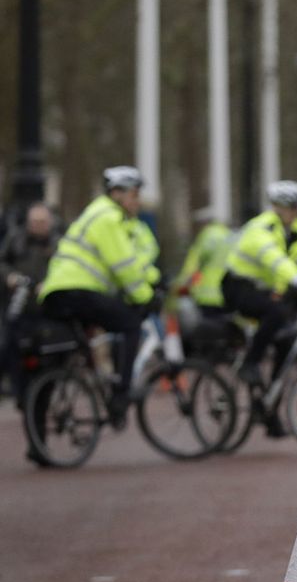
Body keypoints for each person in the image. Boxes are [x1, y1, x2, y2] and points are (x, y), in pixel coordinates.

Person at [38, 166, 158, 428]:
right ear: (116, 194)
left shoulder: (98, 214)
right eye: (134, 195)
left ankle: (42, 434)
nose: (137, 201)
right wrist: (145, 298)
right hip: (77, 290)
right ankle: (120, 394)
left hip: (59, 292)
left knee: (78, 348)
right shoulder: (108, 217)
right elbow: (123, 266)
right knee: (130, 324)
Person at [222, 180, 297, 398]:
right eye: (293, 207)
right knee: (276, 312)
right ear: (279, 207)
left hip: (262, 289)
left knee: (286, 339)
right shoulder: (260, 228)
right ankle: (250, 363)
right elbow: (275, 259)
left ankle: (270, 398)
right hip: (238, 287)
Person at [0, 202, 60, 404]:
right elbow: (2, 262)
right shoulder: (16, 238)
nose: (38, 226)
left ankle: (42, 396)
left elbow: (68, 268)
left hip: (46, 310)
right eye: (34, 222)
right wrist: (10, 277)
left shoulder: (58, 242)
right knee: (11, 348)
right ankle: (21, 395)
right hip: (19, 306)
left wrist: (50, 284)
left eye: (42, 222)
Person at [175, 207, 231, 314]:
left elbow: (193, 264)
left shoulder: (207, 235)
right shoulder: (227, 234)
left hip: (208, 294)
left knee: (208, 327)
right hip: (227, 292)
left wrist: (181, 283)